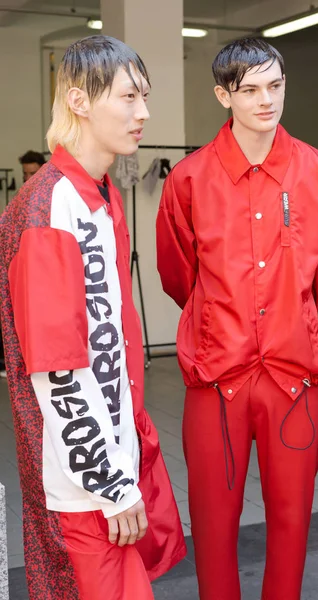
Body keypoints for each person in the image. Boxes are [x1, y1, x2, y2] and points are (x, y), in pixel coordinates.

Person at [156, 38, 318, 600]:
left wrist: (289, 309)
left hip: (293, 375)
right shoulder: (189, 180)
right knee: (213, 525)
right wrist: (223, 318)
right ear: (224, 95)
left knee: (292, 522)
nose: (267, 100)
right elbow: (178, 275)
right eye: (250, 90)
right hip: (218, 377)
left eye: (276, 86)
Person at [0, 35, 185, 600]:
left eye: (144, 96)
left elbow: (107, 343)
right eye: (129, 97)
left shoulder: (97, 195)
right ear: (79, 101)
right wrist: (111, 484)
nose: (144, 113)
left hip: (106, 465)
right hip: (82, 490)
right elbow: (56, 371)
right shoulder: (49, 206)